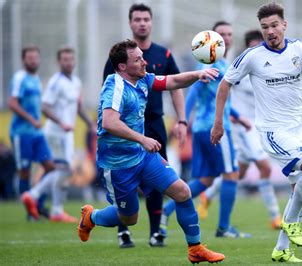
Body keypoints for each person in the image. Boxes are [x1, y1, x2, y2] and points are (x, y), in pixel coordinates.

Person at [77, 39, 224, 264]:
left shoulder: (143, 79)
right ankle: (91, 216)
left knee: (182, 192)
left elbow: (172, 81)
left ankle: (195, 248)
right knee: (129, 218)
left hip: (144, 157)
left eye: (142, 57)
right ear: (123, 67)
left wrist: (197, 75)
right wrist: (142, 138)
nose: (145, 62)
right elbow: (109, 122)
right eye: (138, 60)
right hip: (118, 165)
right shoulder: (114, 85)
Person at [210, 2, 302, 262]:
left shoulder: (299, 49)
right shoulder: (252, 56)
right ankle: (291, 224)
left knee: (297, 193)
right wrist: (218, 122)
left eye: (274, 25)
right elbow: (224, 85)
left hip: (296, 132)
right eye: (265, 27)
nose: (270, 31)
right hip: (271, 132)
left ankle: (281, 249)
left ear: (284, 25)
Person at [102, 3, 187, 248]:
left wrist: (181, 120)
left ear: (151, 22)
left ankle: (155, 233)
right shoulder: (119, 57)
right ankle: (123, 230)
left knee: (158, 179)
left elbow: (175, 87)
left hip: (154, 125)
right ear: (130, 23)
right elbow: (107, 96)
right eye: (137, 19)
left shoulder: (164, 54)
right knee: (125, 179)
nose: (142, 23)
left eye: (146, 19)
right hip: (127, 129)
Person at [161, 21, 252, 241]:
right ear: (211, 39)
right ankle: (223, 228)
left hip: (205, 129)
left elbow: (219, 99)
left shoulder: (223, 64)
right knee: (231, 174)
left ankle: (166, 210)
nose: (227, 38)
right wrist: (182, 120)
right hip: (217, 129)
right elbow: (193, 93)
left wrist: (239, 118)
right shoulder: (211, 65)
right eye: (221, 34)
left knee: (207, 180)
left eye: (230, 34)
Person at [196, 30, 282, 230]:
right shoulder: (239, 67)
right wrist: (229, 116)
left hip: (261, 124)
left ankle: (206, 195)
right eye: (252, 45)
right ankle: (275, 216)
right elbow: (221, 89)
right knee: (265, 167)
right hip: (243, 127)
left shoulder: (271, 68)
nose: (257, 49)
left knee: (238, 172)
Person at [20, 47, 95, 223]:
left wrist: (90, 124)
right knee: (65, 169)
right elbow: (44, 106)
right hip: (56, 132)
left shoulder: (76, 82)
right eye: (65, 59)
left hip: (66, 133)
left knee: (63, 170)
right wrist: (61, 122)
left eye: (71, 59)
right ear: (59, 62)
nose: (68, 62)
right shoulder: (55, 82)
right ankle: (46, 203)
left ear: (74, 61)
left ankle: (46, 203)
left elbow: (78, 107)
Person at [8, 45, 56, 218]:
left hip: (37, 133)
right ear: (24, 60)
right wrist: (31, 119)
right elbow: (12, 103)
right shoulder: (20, 78)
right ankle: (30, 211)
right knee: (25, 171)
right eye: (30, 57)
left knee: (50, 167)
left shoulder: (36, 78)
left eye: (36, 57)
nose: (33, 60)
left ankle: (38, 204)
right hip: (22, 133)